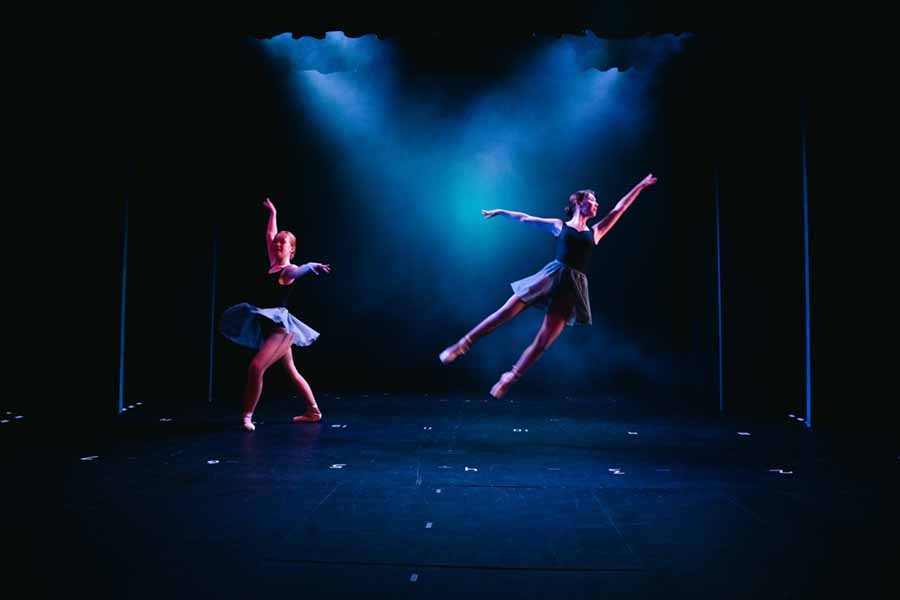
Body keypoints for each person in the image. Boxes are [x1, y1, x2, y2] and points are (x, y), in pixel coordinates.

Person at [439, 174, 658, 398]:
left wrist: (640, 185)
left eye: (596, 201)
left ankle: (510, 377)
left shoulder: (596, 232)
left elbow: (620, 208)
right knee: (505, 312)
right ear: (579, 203)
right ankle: (462, 344)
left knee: (544, 341)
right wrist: (501, 212)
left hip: (571, 287)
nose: (597, 204)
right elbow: (525, 219)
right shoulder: (559, 226)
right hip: (550, 275)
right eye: (592, 200)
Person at [219, 198, 332, 431]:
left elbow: (299, 271)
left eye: (283, 242)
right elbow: (270, 234)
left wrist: (311, 266)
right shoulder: (273, 264)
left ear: (292, 249)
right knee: (291, 371)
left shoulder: (288, 271)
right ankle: (313, 411)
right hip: (269, 328)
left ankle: (247, 416)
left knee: (256, 367)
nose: (277, 243)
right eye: (277, 242)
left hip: (280, 332)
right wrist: (273, 213)